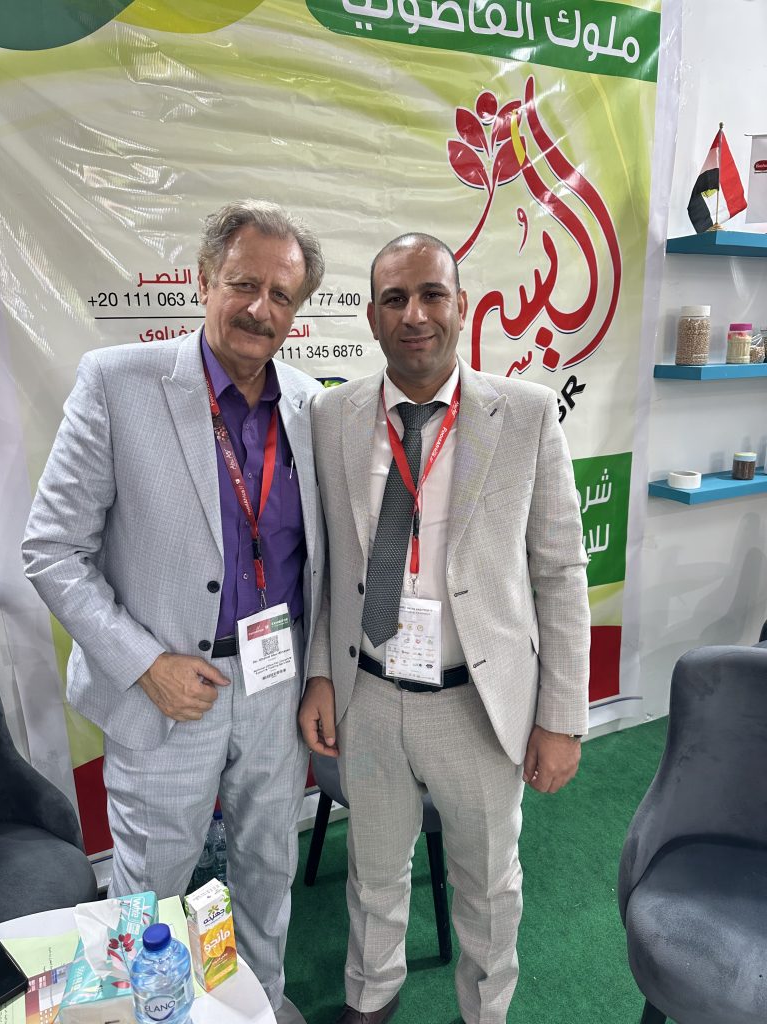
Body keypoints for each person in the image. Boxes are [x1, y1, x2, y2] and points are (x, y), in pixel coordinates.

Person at [23, 200, 327, 1024]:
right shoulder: (118, 382)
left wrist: (319, 675)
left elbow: (320, 563)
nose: (260, 308)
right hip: (166, 691)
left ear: (297, 310)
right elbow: (51, 548)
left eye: (282, 295)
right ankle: (141, 1013)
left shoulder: (310, 404)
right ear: (203, 281)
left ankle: (261, 1003)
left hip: (275, 681)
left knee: (267, 868)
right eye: (243, 284)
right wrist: (145, 664)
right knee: (148, 893)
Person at [299, 233, 590, 1024]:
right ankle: (371, 996)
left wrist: (562, 717)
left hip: (477, 704)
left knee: (488, 885)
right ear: (371, 316)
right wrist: (322, 672)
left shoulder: (525, 414)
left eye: (432, 294)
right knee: (373, 873)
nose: (414, 315)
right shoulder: (331, 415)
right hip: (368, 694)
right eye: (394, 299)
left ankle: (485, 1011)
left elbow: (561, 573)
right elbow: (328, 566)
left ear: (461, 306)